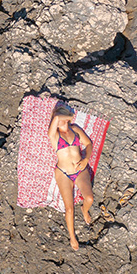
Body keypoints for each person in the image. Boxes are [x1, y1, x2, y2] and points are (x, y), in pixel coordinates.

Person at [47, 104, 94, 250]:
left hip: (79, 170)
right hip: (63, 173)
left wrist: (86, 159)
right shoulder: (54, 135)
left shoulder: (75, 130)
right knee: (69, 209)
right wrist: (66, 117)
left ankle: (84, 210)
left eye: (63, 118)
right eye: (60, 118)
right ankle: (72, 237)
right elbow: (55, 118)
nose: (60, 121)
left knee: (89, 199)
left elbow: (88, 144)